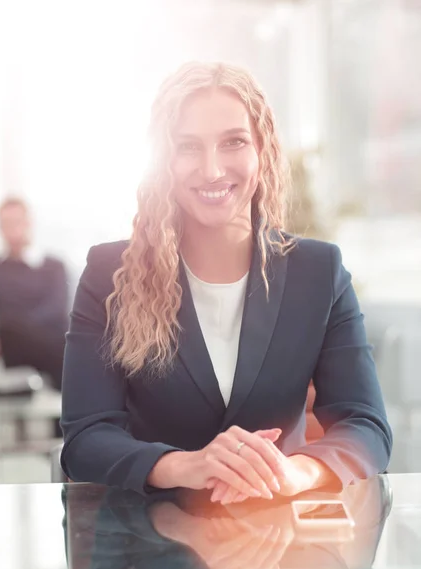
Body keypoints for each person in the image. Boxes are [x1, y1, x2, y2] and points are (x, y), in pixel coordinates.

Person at [61, 62, 392, 503]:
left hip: (277, 544)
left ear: (263, 150)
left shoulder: (319, 271)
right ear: (163, 161)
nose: (212, 170)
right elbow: (85, 436)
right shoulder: (109, 273)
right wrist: (188, 465)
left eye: (233, 142)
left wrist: (297, 473)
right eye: (188, 147)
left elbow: (365, 425)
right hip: (145, 551)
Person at [0, 198, 68, 434]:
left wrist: (14, 329)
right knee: (8, 331)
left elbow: (55, 311)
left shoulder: (53, 266)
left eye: (17, 222)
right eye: (6, 223)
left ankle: (63, 434)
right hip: (10, 349)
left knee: (62, 342)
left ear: (29, 223)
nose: (13, 229)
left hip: (49, 342)